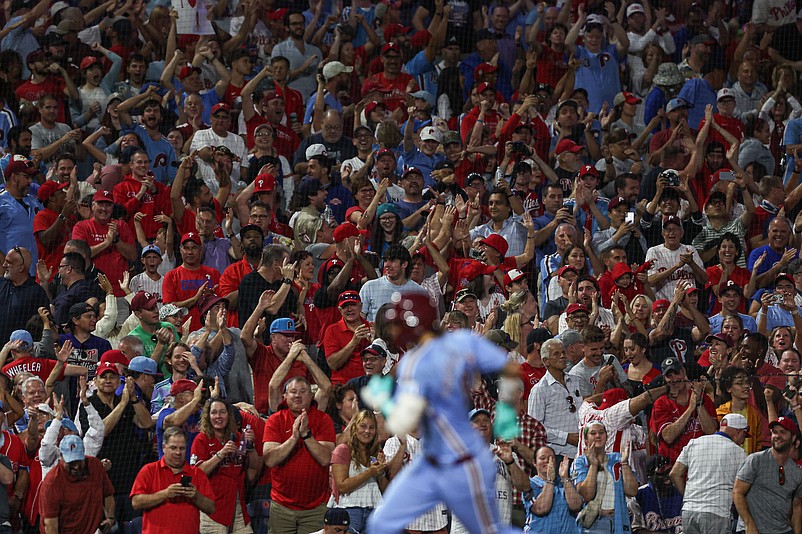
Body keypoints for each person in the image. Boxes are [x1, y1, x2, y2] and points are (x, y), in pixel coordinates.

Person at [365, 292, 520, 534]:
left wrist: (506, 415)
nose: (394, 330)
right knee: (381, 523)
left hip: (463, 463)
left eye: (399, 322)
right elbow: (402, 422)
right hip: (431, 461)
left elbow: (509, 368)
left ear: (415, 321)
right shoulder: (409, 363)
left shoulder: (461, 343)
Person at [263, 377, 336, 533]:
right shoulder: (275, 420)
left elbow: (326, 459)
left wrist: (306, 435)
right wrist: (294, 437)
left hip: (315, 508)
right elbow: (270, 460)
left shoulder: (323, 420)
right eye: (293, 392)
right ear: (285, 397)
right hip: (281, 507)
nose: (298, 396)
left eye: (303, 392)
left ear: (311, 396)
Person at [669, 413, 748, 534]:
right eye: (744, 435)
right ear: (738, 431)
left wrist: (688, 496)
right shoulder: (739, 452)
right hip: (717, 513)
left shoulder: (694, 443)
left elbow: (674, 473)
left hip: (689, 511)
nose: (743, 441)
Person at [190, 397, 261, 533]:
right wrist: (220, 454)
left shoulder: (239, 437)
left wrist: (250, 446)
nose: (218, 416)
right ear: (208, 416)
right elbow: (197, 474)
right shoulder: (201, 440)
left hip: (238, 507)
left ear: (229, 415)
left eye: (222, 412)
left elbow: (253, 467)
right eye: (214, 412)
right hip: (213, 511)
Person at [131, 427, 216, 533]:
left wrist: (196, 496)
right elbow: (136, 502)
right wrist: (165, 494)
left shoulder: (197, 474)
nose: (178, 452)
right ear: (163, 447)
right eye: (173, 448)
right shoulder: (149, 470)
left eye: (182, 448)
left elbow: (211, 508)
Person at [733, 417, 802, 534]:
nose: (777, 436)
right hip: (753, 530)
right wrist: (749, 524)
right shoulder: (755, 460)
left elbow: (797, 508)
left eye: (783, 432)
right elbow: (737, 492)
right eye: (774, 432)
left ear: (793, 437)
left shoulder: (797, 472)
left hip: (783, 531)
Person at [39, 434, 115, 534]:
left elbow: (108, 494)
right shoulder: (52, 483)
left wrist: (110, 518)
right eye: (71, 462)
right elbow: (50, 524)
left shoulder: (95, 466)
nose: (76, 466)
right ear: (61, 456)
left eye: (79, 461)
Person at [571, 421, 638, 533]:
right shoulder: (580, 462)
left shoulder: (617, 459)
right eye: (593, 433)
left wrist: (625, 463)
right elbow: (586, 495)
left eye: (601, 432)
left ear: (606, 437)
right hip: (595, 523)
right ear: (586, 440)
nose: (598, 436)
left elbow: (632, 491)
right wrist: (593, 465)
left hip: (619, 520)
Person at [328, 410, 388, 533]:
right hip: (349, 511)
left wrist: (380, 472)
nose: (367, 431)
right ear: (355, 428)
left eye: (372, 428)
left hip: (374, 511)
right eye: (363, 426)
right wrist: (370, 472)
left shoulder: (376, 453)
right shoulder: (343, 450)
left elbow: (384, 490)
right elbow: (342, 486)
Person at [650, 356, 717, 463]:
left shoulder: (702, 397)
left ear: (683, 371)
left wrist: (699, 403)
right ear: (665, 378)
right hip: (673, 466)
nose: (674, 379)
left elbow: (711, 431)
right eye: (669, 376)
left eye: (677, 373)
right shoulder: (661, 403)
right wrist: (690, 408)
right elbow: (668, 436)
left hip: (701, 464)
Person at [528, 339, 583, 460]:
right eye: (556, 354)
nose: (562, 356)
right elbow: (535, 428)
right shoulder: (540, 390)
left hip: (583, 452)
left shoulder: (575, 381)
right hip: (558, 455)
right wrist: (566, 437)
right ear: (546, 361)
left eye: (563, 352)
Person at [524, 445, 582, 533]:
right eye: (542, 458)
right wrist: (550, 480)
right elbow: (541, 509)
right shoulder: (530, 484)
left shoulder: (566, 483)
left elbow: (576, 506)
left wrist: (565, 478)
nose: (547, 461)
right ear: (534, 463)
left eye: (551, 458)